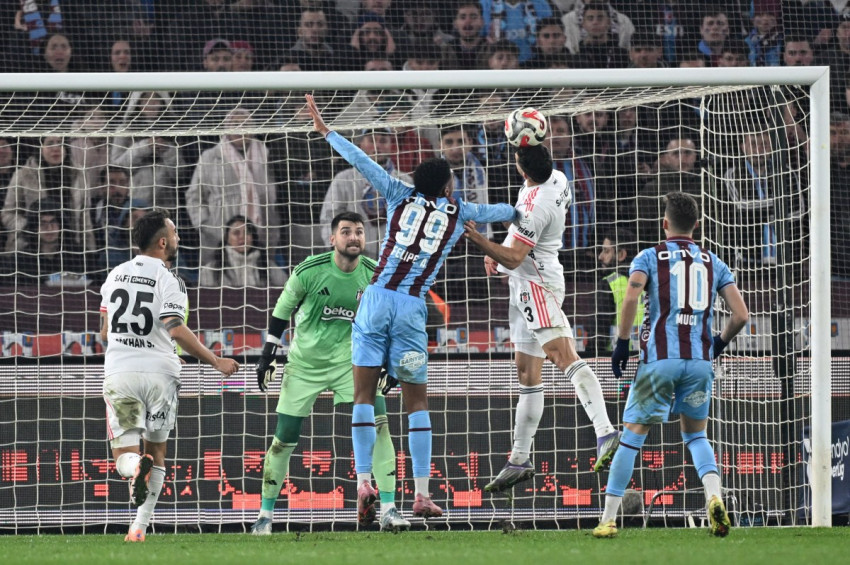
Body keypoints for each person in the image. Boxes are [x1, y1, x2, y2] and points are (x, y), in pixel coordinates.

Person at [304, 93, 519, 524]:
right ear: (446, 187)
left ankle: (364, 481)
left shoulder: (397, 193)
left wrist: (326, 130)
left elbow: (362, 160)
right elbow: (507, 210)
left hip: (376, 299)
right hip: (411, 310)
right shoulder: (461, 211)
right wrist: (532, 197)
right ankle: (421, 495)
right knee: (416, 402)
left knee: (363, 396)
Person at [463, 142, 621, 493]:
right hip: (527, 283)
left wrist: (481, 242)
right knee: (526, 371)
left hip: (536, 284)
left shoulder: (535, 205)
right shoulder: (556, 179)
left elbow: (516, 256)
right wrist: (499, 249)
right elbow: (520, 236)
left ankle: (606, 431)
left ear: (521, 169)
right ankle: (519, 460)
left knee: (562, 355)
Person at [594, 191, 748, 538]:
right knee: (695, 434)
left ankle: (607, 519)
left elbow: (632, 296)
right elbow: (741, 315)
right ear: (698, 226)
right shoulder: (714, 262)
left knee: (632, 436)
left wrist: (621, 344)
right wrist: (718, 344)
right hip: (698, 362)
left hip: (659, 361)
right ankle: (714, 497)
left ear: (664, 224)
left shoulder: (649, 256)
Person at [250, 211, 408, 534]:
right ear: (332, 238)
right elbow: (282, 311)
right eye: (346, 232)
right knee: (283, 440)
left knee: (381, 427)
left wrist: (392, 363)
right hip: (306, 363)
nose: (354, 237)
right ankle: (265, 517)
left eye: (360, 232)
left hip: (354, 363)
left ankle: (390, 509)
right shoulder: (310, 270)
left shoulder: (375, 275)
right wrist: (267, 354)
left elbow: (391, 321)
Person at [99, 209, 239, 542]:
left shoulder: (114, 274)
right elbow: (175, 329)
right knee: (158, 452)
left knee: (125, 456)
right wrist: (215, 360)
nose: (177, 239)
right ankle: (139, 528)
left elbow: (105, 333)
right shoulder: (169, 278)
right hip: (161, 374)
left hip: (121, 373)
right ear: (163, 242)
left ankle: (135, 469)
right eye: (174, 234)